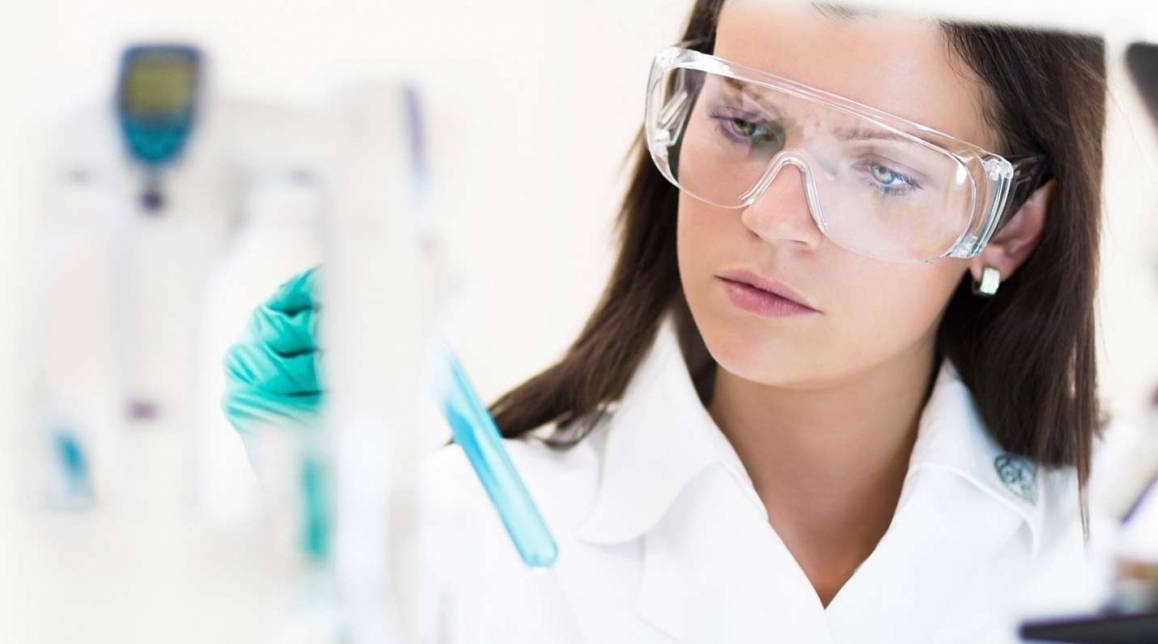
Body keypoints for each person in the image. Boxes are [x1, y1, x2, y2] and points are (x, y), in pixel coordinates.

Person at [223, 1, 1108, 641]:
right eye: (747, 125)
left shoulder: (1112, 546)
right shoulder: (462, 542)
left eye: (884, 172)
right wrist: (307, 523)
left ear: (1010, 228)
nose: (771, 217)